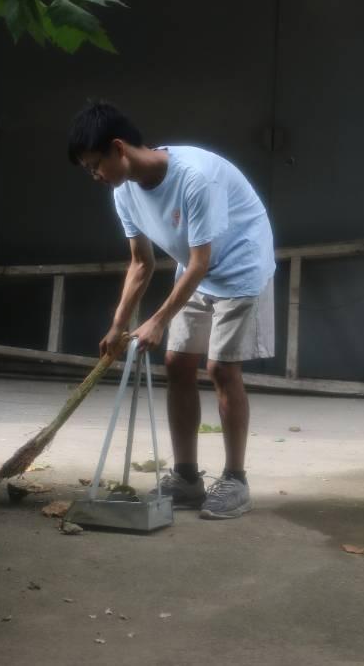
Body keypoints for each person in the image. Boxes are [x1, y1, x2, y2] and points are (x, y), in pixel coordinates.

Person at [68, 100, 276, 520]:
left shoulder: (194, 179)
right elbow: (141, 263)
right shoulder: (124, 192)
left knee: (221, 369)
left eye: (95, 165)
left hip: (240, 269)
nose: (95, 175)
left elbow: (201, 262)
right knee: (178, 364)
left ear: (118, 148)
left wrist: (158, 320)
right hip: (197, 273)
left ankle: (236, 479)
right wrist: (118, 325)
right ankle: (186, 477)